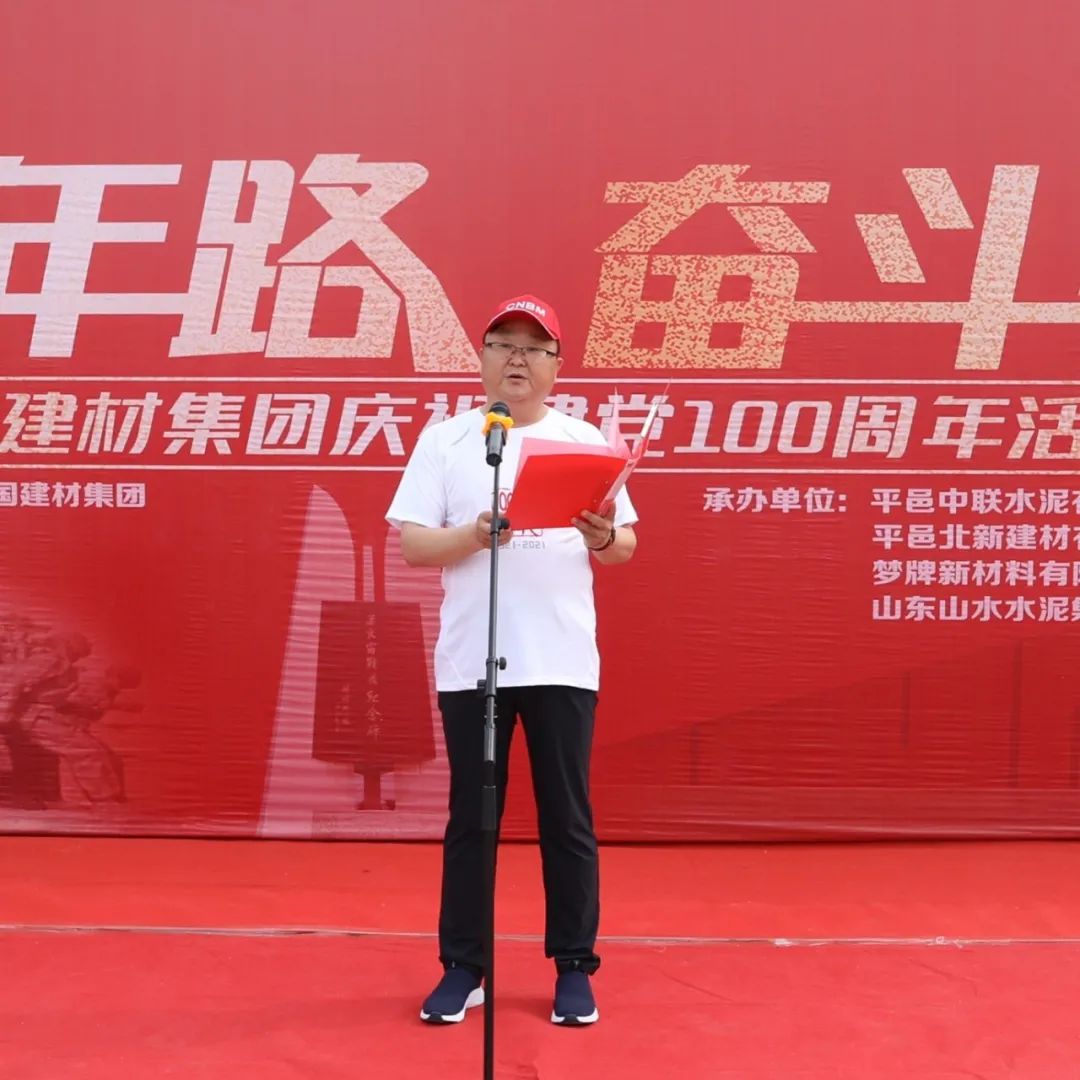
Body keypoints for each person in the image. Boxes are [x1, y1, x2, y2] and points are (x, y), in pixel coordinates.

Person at [385, 295, 638, 1027]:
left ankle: (574, 968)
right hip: (473, 661)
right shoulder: (448, 440)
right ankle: (464, 968)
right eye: (503, 345)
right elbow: (413, 545)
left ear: (556, 366)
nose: (517, 359)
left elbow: (623, 546)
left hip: (560, 659)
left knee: (567, 818)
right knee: (473, 819)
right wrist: (474, 535)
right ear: (483, 358)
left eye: (534, 348)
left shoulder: (584, 441)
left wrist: (599, 535)